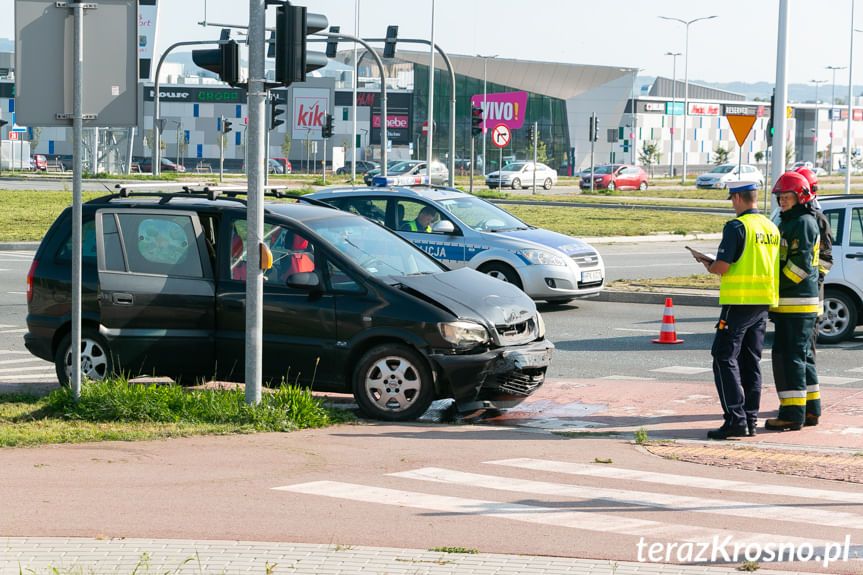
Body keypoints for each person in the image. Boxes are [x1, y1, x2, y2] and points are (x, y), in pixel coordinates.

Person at [695, 181, 780, 440]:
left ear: (738, 198)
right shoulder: (770, 226)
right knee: (750, 361)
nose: (732, 204)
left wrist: (706, 263)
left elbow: (722, 267)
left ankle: (735, 419)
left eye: (732, 199)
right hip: (762, 302)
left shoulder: (736, 226)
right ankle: (751, 420)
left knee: (722, 356)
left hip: (739, 301)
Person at [767, 171, 821, 432]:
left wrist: (774, 287)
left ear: (800, 196)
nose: (782, 201)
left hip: (795, 303)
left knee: (790, 359)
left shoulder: (801, 222)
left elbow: (798, 268)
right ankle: (811, 410)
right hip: (797, 303)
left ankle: (791, 414)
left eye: (787, 196)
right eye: (780, 196)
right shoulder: (793, 221)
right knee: (802, 357)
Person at [793, 168, 833, 408]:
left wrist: (809, 278)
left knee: (807, 351)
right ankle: (802, 399)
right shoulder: (795, 217)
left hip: (809, 298)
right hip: (796, 299)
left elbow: (826, 259)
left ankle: (809, 402)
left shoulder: (817, 219)